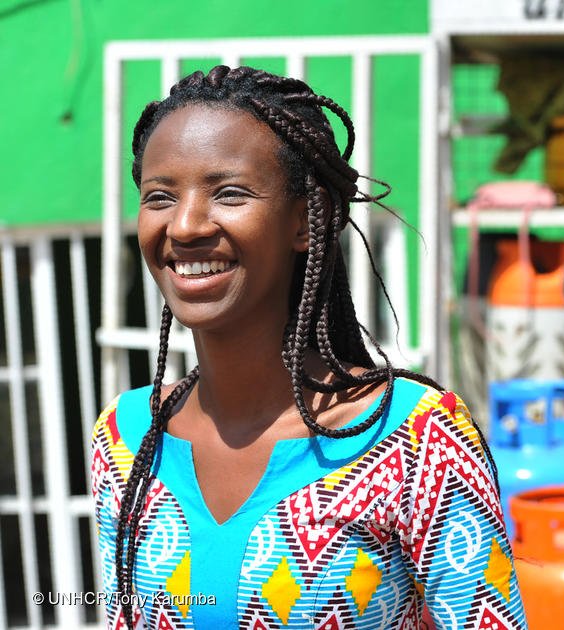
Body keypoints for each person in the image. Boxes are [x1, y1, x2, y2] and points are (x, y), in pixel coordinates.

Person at [89, 66, 526, 630]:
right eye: (159, 197)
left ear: (307, 220)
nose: (186, 224)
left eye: (229, 194)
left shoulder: (415, 443)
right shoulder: (125, 442)